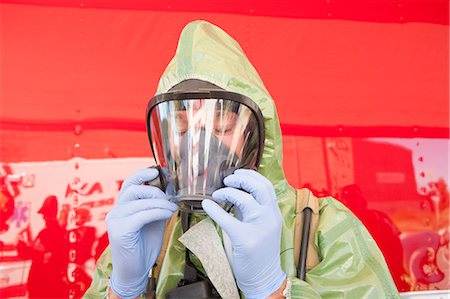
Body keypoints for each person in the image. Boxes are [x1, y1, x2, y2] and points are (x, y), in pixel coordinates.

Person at [85, 20, 400, 299]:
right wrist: (121, 290)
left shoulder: (322, 227)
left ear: (255, 133)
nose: (198, 143)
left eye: (221, 126)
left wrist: (272, 290)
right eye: (181, 127)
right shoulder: (146, 233)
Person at [21, 195, 69, 298]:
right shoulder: (56, 233)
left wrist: (21, 246)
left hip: (43, 288)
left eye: (45, 214)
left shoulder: (48, 233)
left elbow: (44, 257)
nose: (43, 217)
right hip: (46, 287)